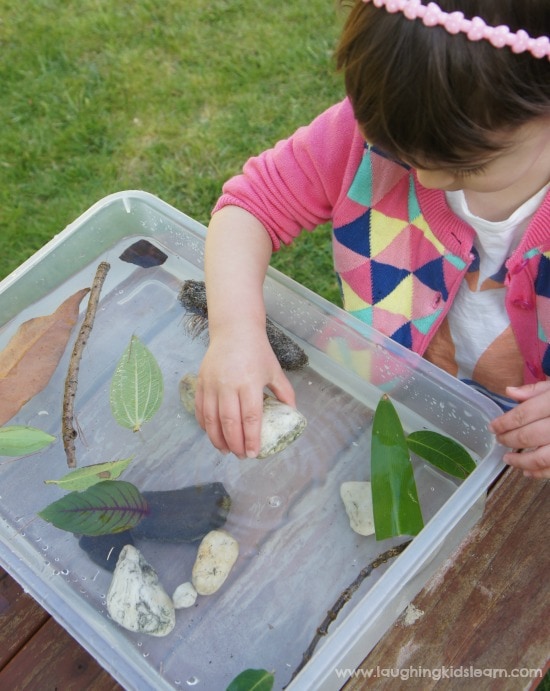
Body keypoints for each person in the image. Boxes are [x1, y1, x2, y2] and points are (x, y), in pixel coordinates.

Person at [194, 0, 550, 479]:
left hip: (527, 447)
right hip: (376, 390)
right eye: (397, 150)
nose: (426, 177)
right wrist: (235, 331)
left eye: (466, 166)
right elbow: (252, 206)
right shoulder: (378, 126)